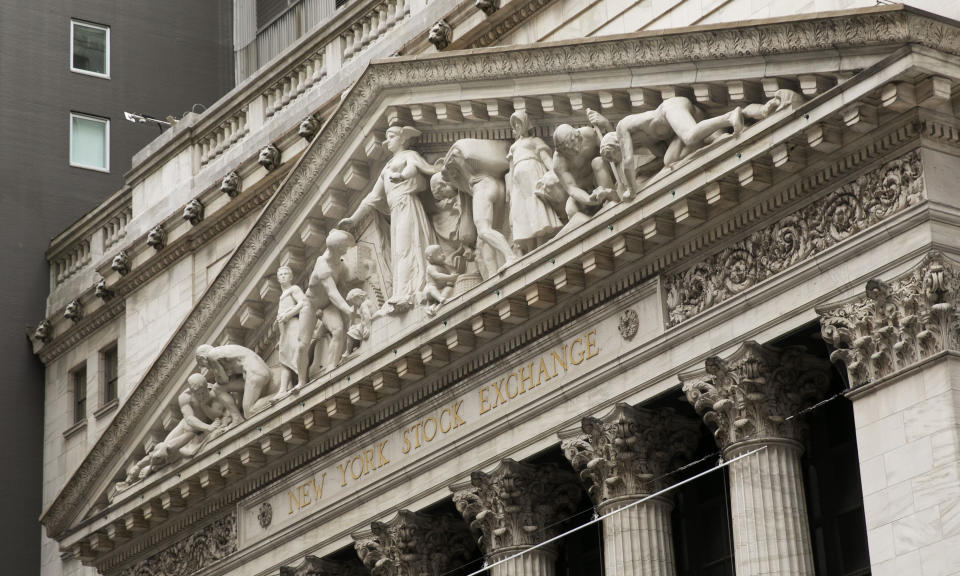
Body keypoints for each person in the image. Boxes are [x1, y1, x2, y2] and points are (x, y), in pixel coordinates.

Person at [338, 125, 437, 315]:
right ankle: (402, 291)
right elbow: (373, 198)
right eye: (387, 137)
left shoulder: (408, 155)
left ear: (402, 139)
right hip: (396, 211)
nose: (388, 141)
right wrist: (353, 218)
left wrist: (401, 176)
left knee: (407, 247)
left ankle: (412, 289)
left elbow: (414, 168)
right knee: (399, 251)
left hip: (406, 204)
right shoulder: (385, 168)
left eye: (391, 136)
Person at [615, 97, 744, 196]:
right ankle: (719, 136)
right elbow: (662, 160)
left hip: (671, 108)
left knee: (689, 136)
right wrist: (642, 170)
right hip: (692, 118)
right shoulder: (647, 141)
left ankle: (729, 117)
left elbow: (627, 161)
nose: (613, 158)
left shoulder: (622, 128)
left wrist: (631, 190)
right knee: (670, 159)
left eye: (609, 153)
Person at [298, 229, 355, 381]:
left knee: (338, 330)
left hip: (327, 306)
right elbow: (332, 292)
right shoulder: (323, 265)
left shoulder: (339, 263)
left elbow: (341, 288)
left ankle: (331, 367)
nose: (347, 248)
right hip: (311, 305)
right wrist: (348, 310)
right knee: (302, 345)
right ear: (338, 249)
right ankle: (301, 381)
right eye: (344, 246)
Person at [507, 111, 563, 253]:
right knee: (521, 209)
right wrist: (510, 190)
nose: (517, 126)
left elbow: (546, 159)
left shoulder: (535, 141)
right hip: (519, 182)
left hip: (533, 173)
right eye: (515, 124)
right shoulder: (513, 147)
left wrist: (555, 172)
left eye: (519, 122)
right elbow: (511, 169)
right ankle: (530, 246)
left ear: (525, 123)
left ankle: (541, 242)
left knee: (536, 205)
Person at [195, 343, 275, 418]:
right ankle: (237, 418)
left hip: (255, 373)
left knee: (249, 411)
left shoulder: (211, 355)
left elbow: (223, 380)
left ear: (202, 358)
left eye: (204, 365)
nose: (208, 368)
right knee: (218, 388)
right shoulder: (225, 350)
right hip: (258, 371)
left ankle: (276, 396)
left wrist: (216, 373)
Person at [275, 265, 305, 396]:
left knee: (297, 350)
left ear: (291, 276)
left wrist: (287, 315)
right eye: (281, 274)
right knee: (284, 357)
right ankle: (282, 389)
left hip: (293, 325)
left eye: (286, 273)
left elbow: (303, 302)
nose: (283, 276)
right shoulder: (282, 295)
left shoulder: (294, 289)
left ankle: (301, 380)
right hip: (285, 330)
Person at [422, 245, 459, 315]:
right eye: (438, 254)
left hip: (441, 290)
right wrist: (450, 277)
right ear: (431, 259)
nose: (442, 255)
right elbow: (437, 276)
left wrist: (452, 273)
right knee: (431, 288)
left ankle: (438, 306)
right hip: (430, 292)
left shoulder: (444, 266)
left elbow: (452, 272)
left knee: (449, 288)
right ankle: (441, 299)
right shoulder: (430, 267)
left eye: (442, 252)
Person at [343, 288, 375, 358]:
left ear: (358, 297)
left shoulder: (363, 305)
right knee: (353, 328)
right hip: (365, 324)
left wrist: (367, 328)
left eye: (354, 301)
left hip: (367, 325)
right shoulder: (368, 302)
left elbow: (367, 316)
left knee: (350, 333)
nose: (354, 304)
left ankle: (348, 352)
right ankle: (355, 347)